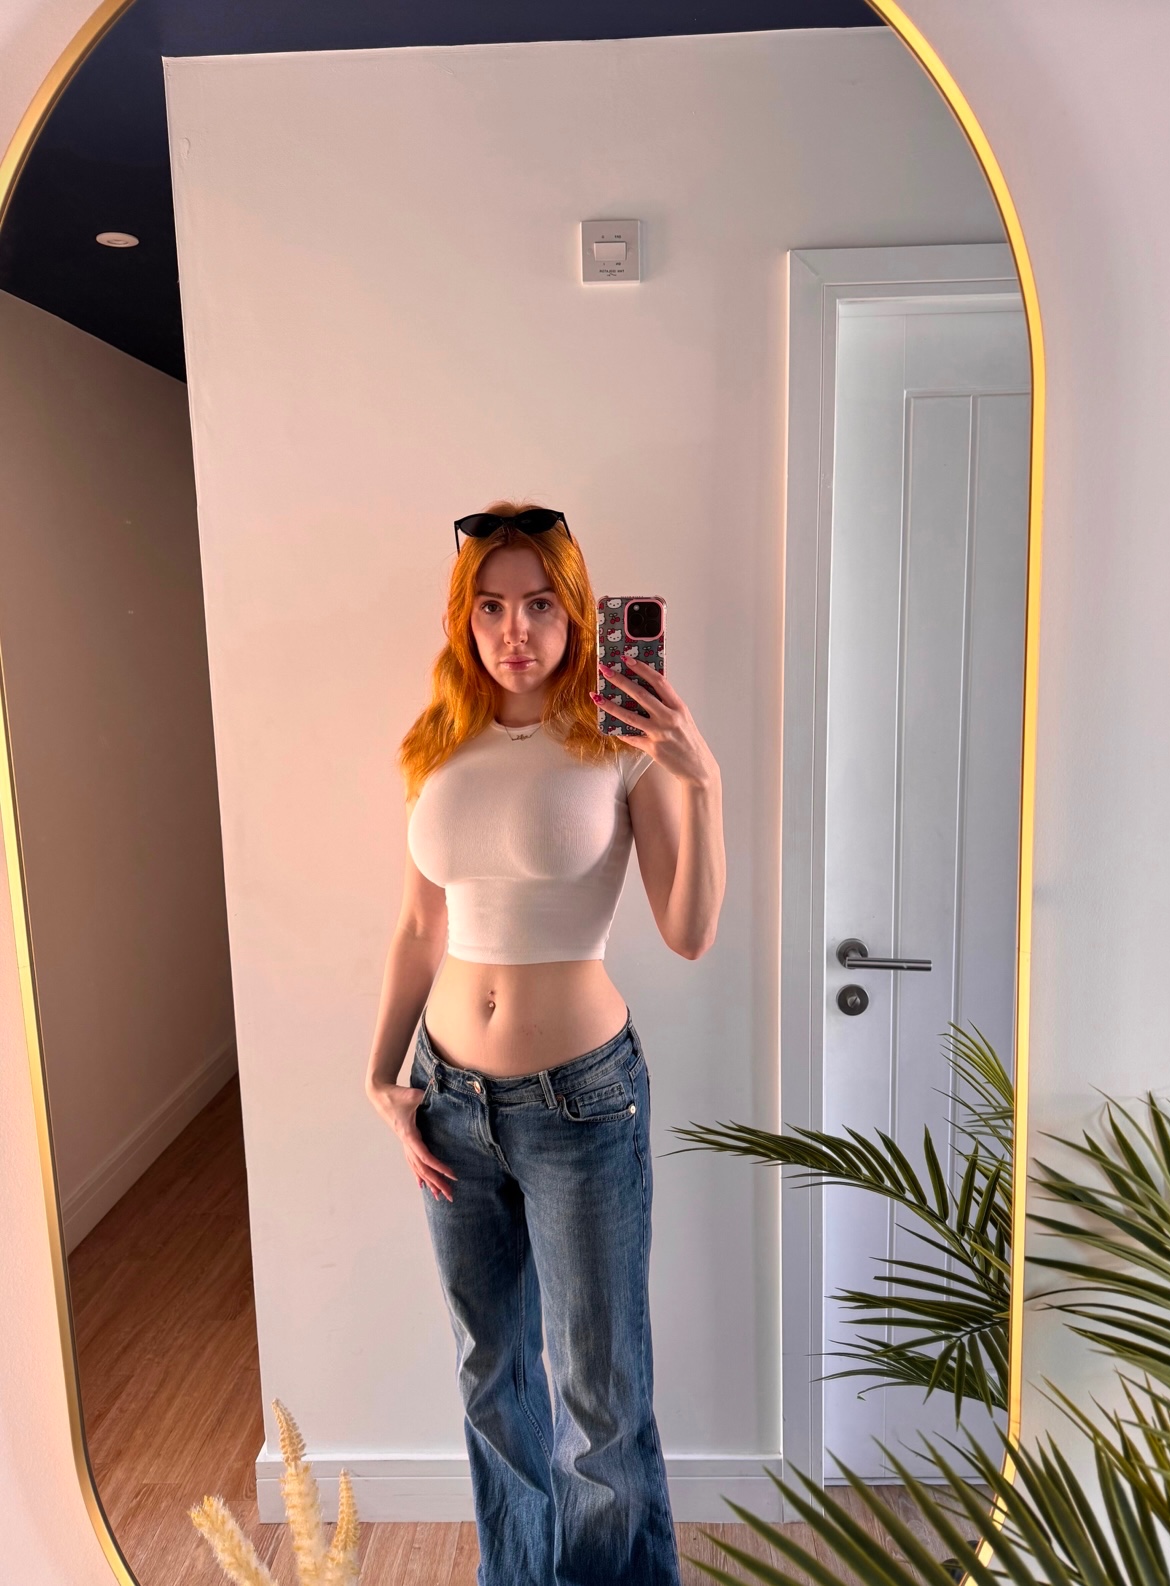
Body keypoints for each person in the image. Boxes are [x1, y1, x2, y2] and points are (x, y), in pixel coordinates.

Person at [364, 502, 724, 1586]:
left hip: (581, 1102)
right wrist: (381, 1075)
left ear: (576, 614)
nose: (513, 630)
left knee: (598, 1393)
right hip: (447, 1101)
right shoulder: (436, 746)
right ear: (462, 618)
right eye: (489, 606)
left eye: (537, 605)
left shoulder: (617, 745)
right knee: (491, 1375)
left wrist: (699, 777)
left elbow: (688, 930)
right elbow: (419, 926)